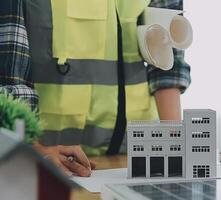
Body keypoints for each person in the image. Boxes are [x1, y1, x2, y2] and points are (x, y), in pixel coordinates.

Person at [0, 0, 191, 177]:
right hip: (48, 159)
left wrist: (173, 143)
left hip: (129, 157)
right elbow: (7, 75)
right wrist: (30, 149)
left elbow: (168, 59)